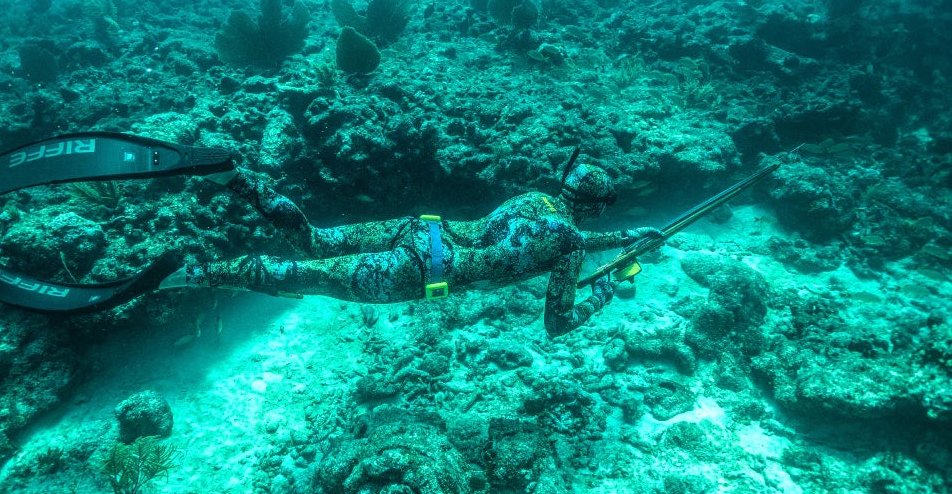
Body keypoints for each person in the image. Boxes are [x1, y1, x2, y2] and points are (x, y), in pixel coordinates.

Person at [160, 154, 664, 338]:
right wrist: (607, 291)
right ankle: (192, 274)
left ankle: (237, 179)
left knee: (311, 241)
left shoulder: (536, 199)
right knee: (304, 277)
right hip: (423, 270)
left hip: (420, 229)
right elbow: (557, 325)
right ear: (597, 206)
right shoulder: (571, 245)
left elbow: (543, 238)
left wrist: (623, 240)